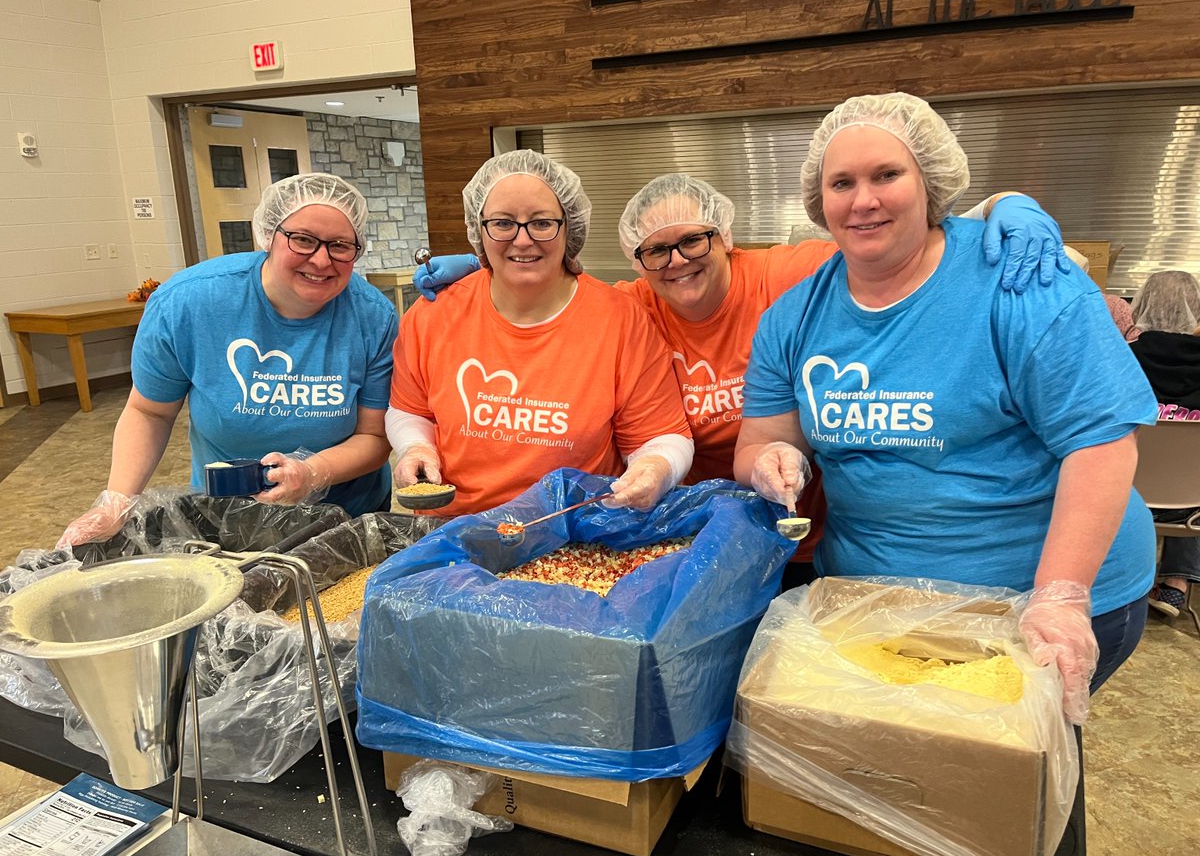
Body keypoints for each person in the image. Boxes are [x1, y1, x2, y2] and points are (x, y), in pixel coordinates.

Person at [733, 92, 1159, 725]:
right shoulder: (794, 318)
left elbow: (1099, 442)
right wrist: (769, 459)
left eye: (886, 175)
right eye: (841, 182)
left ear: (929, 182)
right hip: (872, 601)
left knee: (994, 785)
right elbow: (758, 442)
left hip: (1030, 601)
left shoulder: (1021, 279)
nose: (863, 199)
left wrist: (1061, 597)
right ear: (819, 201)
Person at [413, 175, 1067, 557]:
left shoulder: (785, 275)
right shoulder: (631, 308)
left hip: (800, 523)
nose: (676, 262)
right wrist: (488, 265)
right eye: (654, 251)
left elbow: (888, 241)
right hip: (692, 531)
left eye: (692, 241)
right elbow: (560, 296)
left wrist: (997, 210)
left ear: (724, 236)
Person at [58, 173, 398, 547]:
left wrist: (310, 473)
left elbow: (374, 435)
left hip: (345, 512)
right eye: (302, 239)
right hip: (223, 517)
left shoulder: (373, 318)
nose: (321, 260)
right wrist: (116, 503)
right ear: (269, 235)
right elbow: (149, 412)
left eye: (340, 245)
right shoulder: (190, 303)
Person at [386, 149, 692, 516]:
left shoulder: (621, 321)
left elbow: (658, 436)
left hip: (576, 533)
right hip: (455, 529)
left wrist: (655, 467)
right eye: (502, 223)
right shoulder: (434, 314)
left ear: (569, 227)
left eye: (542, 223)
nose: (522, 239)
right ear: (479, 229)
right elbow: (408, 410)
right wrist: (415, 447)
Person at [1128, 270, 1200, 616]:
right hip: (1192, 509)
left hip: (1122, 496)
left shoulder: (1118, 359)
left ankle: (1120, 583)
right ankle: (1176, 585)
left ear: (1141, 304)